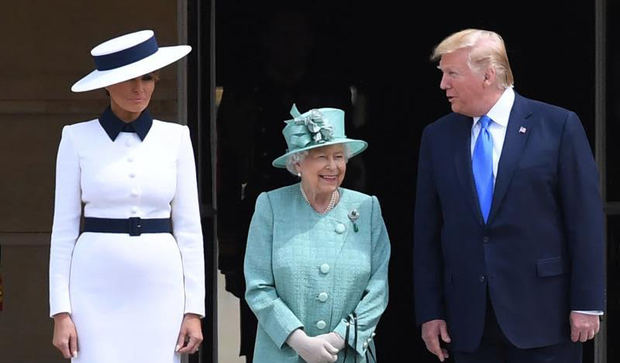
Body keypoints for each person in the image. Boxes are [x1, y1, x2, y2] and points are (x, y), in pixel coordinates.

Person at [413, 28, 605, 363]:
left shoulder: (557, 126)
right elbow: (427, 231)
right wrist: (430, 311)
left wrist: (587, 302)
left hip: (546, 317)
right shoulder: (437, 136)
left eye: (451, 74)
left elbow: (585, 221)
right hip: (469, 321)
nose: (443, 85)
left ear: (487, 75)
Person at [49, 30, 205, 362]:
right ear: (106, 84)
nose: (139, 88)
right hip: (94, 281)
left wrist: (194, 309)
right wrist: (61, 312)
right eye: (128, 79)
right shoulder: (76, 138)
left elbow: (190, 229)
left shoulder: (176, 137)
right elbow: (62, 231)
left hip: (160, 281)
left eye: (147, 78)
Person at [244, 104, 390, 362]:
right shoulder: (271, 206)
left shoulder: (366, 208)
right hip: (283, 354)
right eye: (322, 156)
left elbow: (378, 289)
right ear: (297, 162)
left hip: (346, 355)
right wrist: (300, 342)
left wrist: (338, 339)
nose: (333, 166)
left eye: (339, 156)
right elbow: (258, 287)